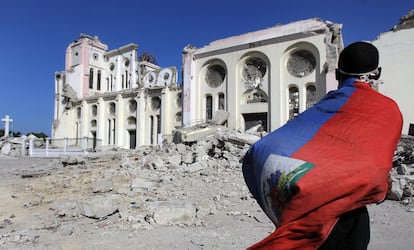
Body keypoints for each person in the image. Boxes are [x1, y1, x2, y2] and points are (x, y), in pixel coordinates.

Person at [242, 41, 403, 249]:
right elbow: (376, 166)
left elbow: (266, 148)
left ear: (337, 75)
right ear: (377, 73)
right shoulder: (386, 111)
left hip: (315, 214)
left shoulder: (321, 108)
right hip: (350, 222)